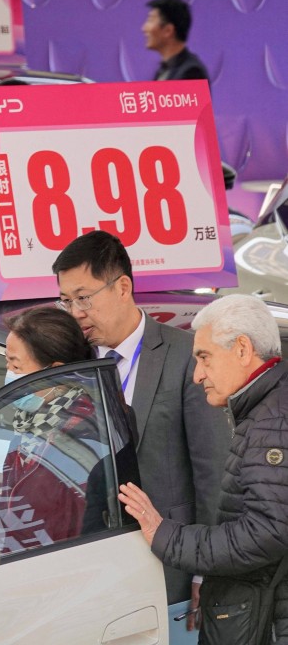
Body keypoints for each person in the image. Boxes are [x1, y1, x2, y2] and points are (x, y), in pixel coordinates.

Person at [52, 230, 231, 634]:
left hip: (170, 566)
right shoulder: (72, 362)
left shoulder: (184, 356)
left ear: (123, 287)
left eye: (84, 297)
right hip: (90, 565)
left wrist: (205, 570)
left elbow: (212, 473)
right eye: (66, 301)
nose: (76, 311)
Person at [118, 294, 288, 644]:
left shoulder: (273, 421)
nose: (197, 375)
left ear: (242, 349)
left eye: (204, 357)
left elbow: (267, 532)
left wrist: (165, 534)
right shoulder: (267, 411)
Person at [0, 306, 99, 549]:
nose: (8, 374)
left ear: (54, 371)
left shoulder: (83, 431)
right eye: (7, 364)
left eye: (16, 366)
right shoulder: (29, 421)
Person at [143, 0, 209, 82]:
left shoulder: (192, 73)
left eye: (150, 20)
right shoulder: (163, 71)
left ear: (168, 30)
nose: (144, 28)